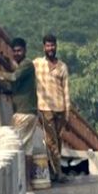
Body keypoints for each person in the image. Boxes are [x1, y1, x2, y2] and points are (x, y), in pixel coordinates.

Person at [0, 37, 37, 167]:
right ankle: (28, 183)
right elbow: (11, 87)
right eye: (14, 51)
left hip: (23, 113)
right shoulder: (22, 67)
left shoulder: (27, 64)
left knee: (17, 147)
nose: (16, 54)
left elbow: (14, 77)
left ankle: (23, 181)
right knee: (27, 150)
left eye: (19, 51)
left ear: (25, 50)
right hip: (30, 112)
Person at [34, 33, 72, 183]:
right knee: (50, 141)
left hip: (60, 108)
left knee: (58, 141)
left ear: (56, 46)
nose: (50, 48)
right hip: (45, 107)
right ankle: (59, 172)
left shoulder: (62, 67)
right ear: (44, 47)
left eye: (53, 45)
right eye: (48, 45)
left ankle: (54, 170)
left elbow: (67, 91)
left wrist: (67, 114)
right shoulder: (37, 64)